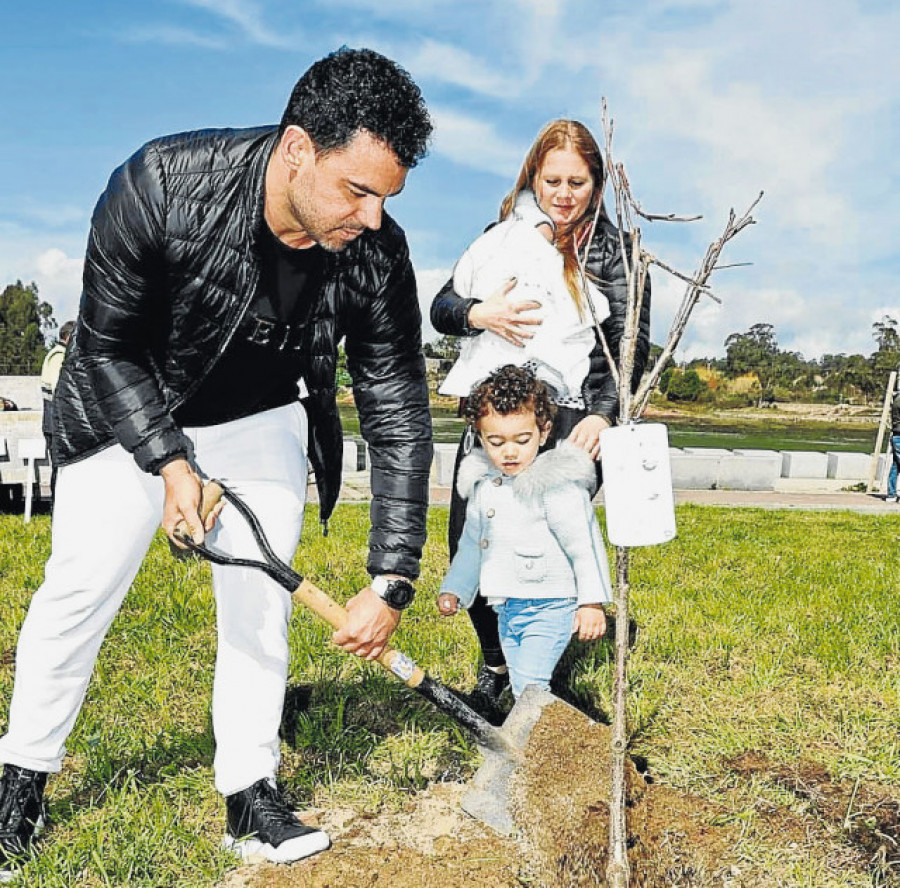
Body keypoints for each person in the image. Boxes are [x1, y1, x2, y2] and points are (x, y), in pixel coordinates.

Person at [0, 47, 433, 877]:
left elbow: (395, 401)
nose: (373, 218)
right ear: (299, 148)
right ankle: (20, 782)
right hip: (127, 410)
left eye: (388, 197)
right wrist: (168, 463)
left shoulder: (375, 252)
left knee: (260, 604)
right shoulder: (160, 184)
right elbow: (105, 348)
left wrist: (391, 575)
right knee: (79, 591)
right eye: (359, 190)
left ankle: (250, 793)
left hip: (259, 416)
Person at [430, 119, 651, 706]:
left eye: (577, 181)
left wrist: (604, 415)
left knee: (548, 547)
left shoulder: (620, 255)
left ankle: (538, 678)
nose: (563, 193)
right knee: (471, 539)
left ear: (597, 184)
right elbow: (441, 307)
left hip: (574, 421)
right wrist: (480, 312)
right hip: (494, 414)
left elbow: (630, 348)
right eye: (551, 179)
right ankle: (496, 664)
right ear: (533, 176)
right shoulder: (499, 236)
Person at [437, 365, 612, 699]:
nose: (510, 451)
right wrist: (455, 588)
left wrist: (591, 602)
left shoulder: (557, 487)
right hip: (507, 605)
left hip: (550, 605)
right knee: (520, 676)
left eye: (522, 440)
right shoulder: (485, 488)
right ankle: (532, 733)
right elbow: (473, 545)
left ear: (544, 433)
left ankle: (534, 742)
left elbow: (583, 546)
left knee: (529, 684)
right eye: (497, 441)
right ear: (479, 436)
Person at [39, 320, 75, 501]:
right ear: (69, 337)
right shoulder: (58, 356)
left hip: (55, 423)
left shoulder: (56, 354)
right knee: (60, 469)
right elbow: (59, 390)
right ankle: (57, 509)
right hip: (56, 424)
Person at [887, 388, 900, 504]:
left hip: (896, 435)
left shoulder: (896, 399)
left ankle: (891, 493)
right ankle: (891, 493)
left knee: (896, 466)